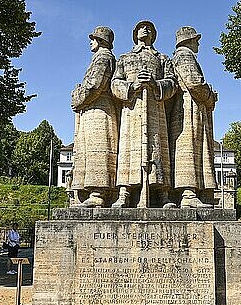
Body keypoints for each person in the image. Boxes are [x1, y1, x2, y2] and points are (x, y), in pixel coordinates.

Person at [110, 20, 177, 208]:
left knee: (158, 149)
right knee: (128, 152)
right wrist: (132, 86)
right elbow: (114, 84)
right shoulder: (124, 58)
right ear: (135, 33)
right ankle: (125, 192)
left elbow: (173, 83)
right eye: (141, 27)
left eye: (149, 28)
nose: (145, 29)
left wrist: (156, 84)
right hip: (131, 111)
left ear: (154, 34)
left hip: (156, 110)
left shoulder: (162, 59)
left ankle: (163, 194)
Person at [169, 26, 217, 208]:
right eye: (195, 39)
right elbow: (195, 83)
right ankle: (188, 194)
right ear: (187, 40)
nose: (198, 43)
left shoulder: (180, 56)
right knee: (189, 147)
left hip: (190, 104)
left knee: (194, 147)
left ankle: (193, 193)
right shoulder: (184, 56)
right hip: (189, 106)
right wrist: (210, 96)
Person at [70, 26, 119, 207]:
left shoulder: (103, 58)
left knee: (98, 151)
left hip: (99, 108)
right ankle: (90, 193)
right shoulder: (99, 58)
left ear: (101, 41)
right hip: (92, 108)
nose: (91, 42)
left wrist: (77, 97)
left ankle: (98, 193)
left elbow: (94, 85)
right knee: (89, 151)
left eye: (94, 39)